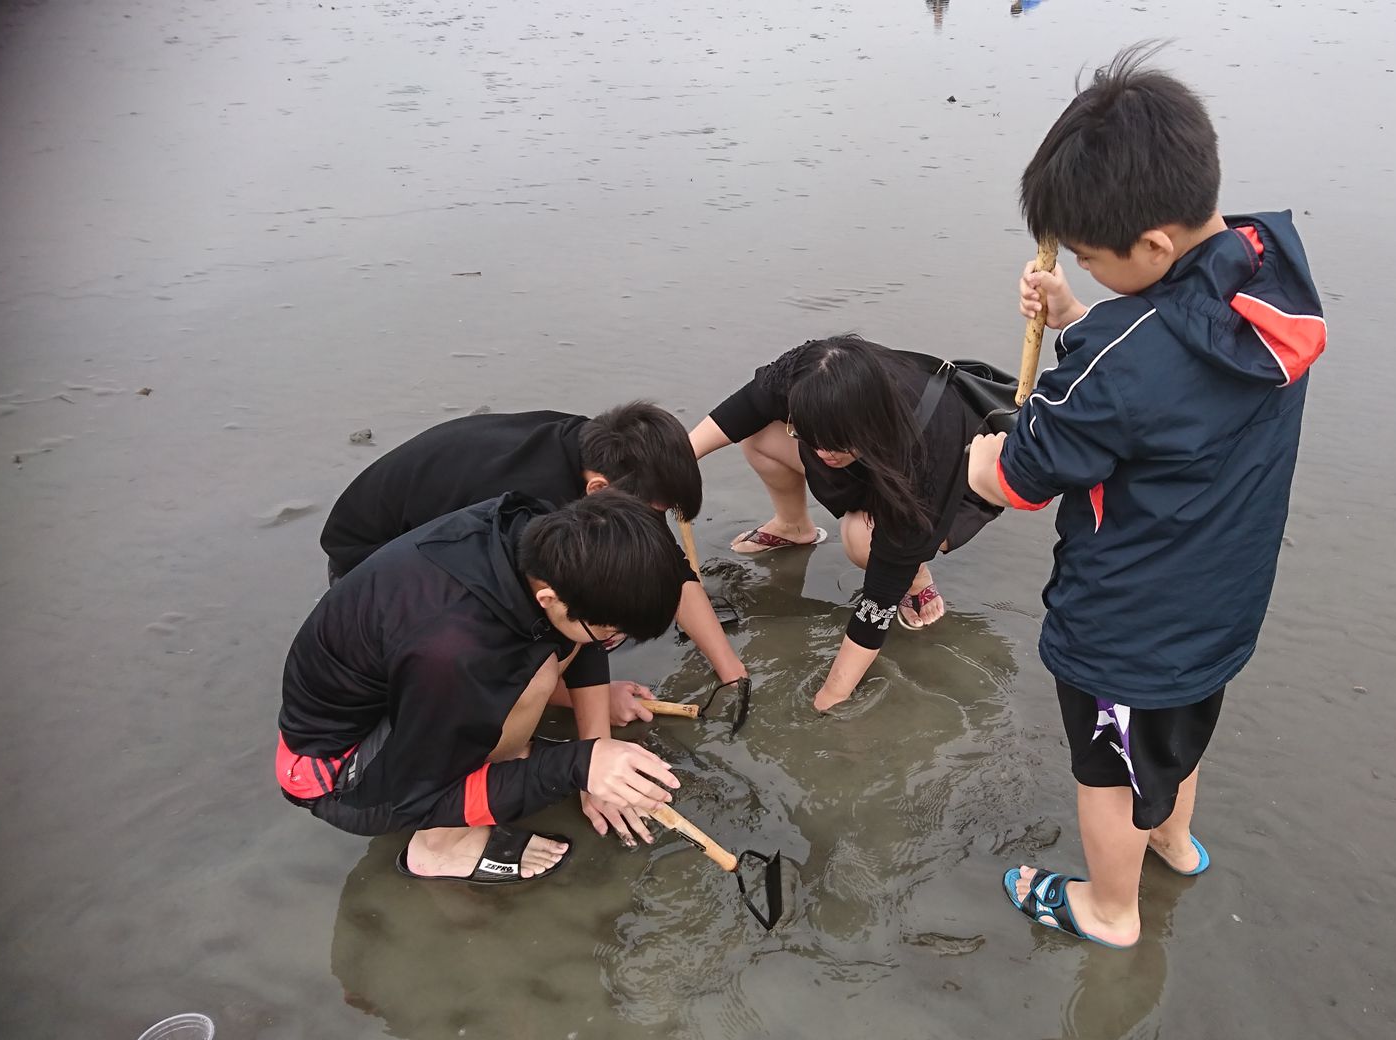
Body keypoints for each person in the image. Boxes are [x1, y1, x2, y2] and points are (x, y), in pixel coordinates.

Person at [967, 45, 1326, 947]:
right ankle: (1173, 842)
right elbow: (1168, 369)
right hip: (1221, 600)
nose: (1084, 269)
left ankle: (1109, 909)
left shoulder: (1123, 363)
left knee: (1109, 771)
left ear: (1156, 245)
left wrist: (980, 457)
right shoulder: (1267, 279)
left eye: (1090, 259)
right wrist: (1077, 318)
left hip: (1127, 624)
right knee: (1174, 735)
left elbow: (1023, 476)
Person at [278, 491, 691, 881]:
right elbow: (416, 793)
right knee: (534, 676)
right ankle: (441, 848)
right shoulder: (453, 653)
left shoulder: (538, 533)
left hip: (400, 690)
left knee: (547, 657)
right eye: (610, 634)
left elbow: (581, 629)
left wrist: (595, 742)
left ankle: (504, 755)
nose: (611, 643)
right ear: (548, 599)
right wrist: (578, 765)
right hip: (333, 773)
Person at [318, 402, 749, 721]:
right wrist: (594, 709)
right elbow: (568, 618)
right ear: (598, 491)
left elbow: (668, 565)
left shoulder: (602, 451)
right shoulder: (531, 509)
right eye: (653, 513)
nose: (655, 524)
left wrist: (731, 671)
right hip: (369, 566)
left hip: (434, 532)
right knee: (552, 629)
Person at [688, 335, 1001, 711]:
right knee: (756, 435)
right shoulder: (809, 373)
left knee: (862, 539)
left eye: (834, 444)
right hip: (867, 458)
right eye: (809, 438)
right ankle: (792, 526)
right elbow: (749, 406)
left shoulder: (928, 451)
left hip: (951, 483)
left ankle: (916, 575)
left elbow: (877, 601)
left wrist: (833, 694)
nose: (822, 453)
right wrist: (675, 462)